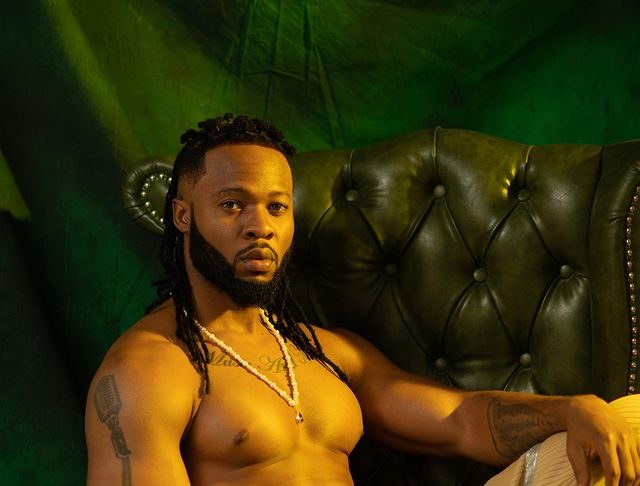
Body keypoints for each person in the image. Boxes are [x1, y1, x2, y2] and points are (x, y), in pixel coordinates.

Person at [85, 113, 640, 486]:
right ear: (183, 216)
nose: (260, 226)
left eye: (277, 207)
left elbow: (461, 422)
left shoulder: (323, 353)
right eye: (233, 205)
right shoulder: (150, 370)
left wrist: (574, 409)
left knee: (625, 422)